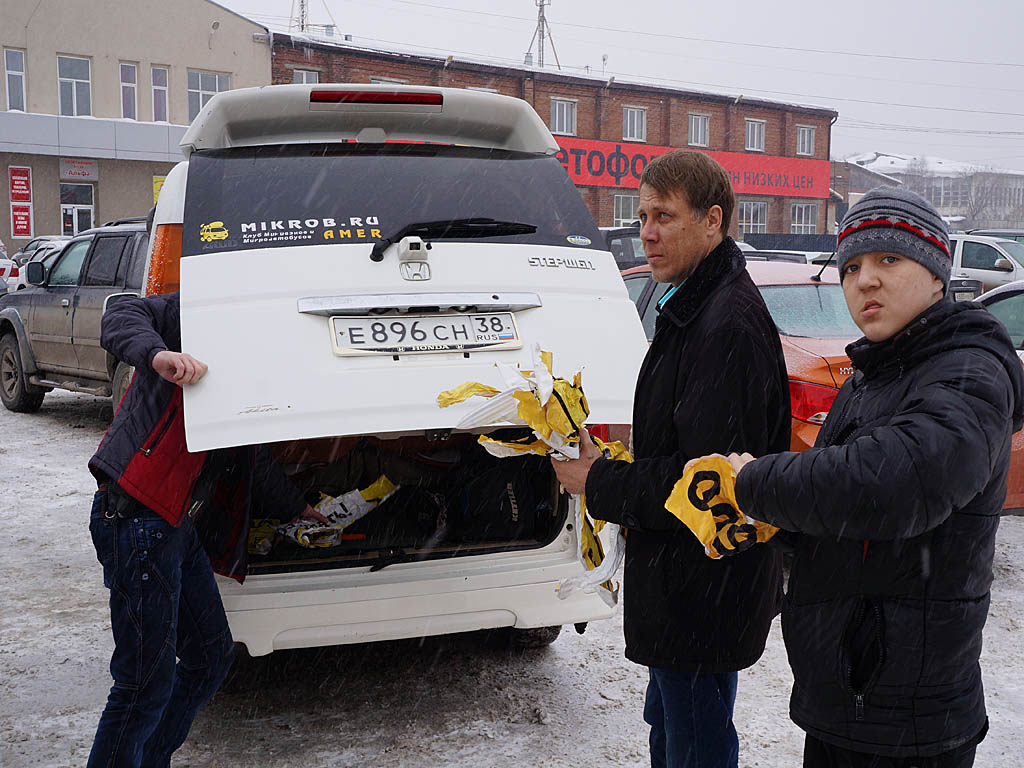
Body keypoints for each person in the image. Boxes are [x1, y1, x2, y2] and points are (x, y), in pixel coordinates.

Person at [718, 187, 1024, 767]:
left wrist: (754, 483)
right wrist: (770, 526)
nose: (865, 281)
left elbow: (894, 485)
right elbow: (845, 518)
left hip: (907, 719)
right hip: (847, 698)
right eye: (852, 266)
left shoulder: (969, 371)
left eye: (889, 260)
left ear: (936, 273)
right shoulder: (872, 375)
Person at [552, 149, 791, 768]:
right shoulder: (695, 304)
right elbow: (687, 448)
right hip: (689, 590)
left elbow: (708, 485)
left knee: (692, 745)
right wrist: (623, 458)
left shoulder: (725, 325)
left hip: (702, 592)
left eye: (665, 216)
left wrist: (599, 480)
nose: (648, 233)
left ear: (714, 221)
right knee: (675, 725)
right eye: (641, 216)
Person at [86, 291, 327, 768]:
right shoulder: (198, 311)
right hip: (134, 518)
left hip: (177, 525)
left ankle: (150, 760)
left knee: (210, 658)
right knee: (142, 684)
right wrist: (159, 356)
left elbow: (250, 453)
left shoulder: (259, 358)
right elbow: (120, 313)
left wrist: (298, 508)